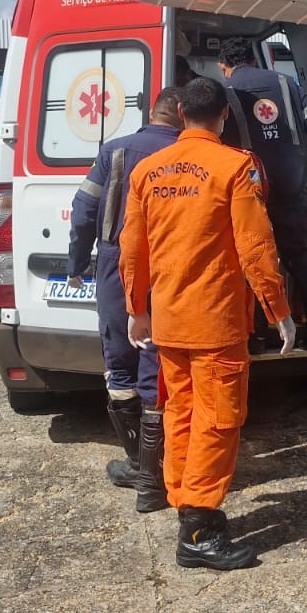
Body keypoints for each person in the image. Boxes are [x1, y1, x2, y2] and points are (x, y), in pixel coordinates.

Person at [120, 76, 296, 571]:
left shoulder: (148, 172)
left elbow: (133, 249)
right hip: (215, 323)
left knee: (180, 415)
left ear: (179, 116)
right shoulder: (234, 167)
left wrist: (137, 309)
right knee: (218, 421)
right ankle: (197, 526)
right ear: (223, 117)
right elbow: (257, 247)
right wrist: (278, 311)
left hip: (169, 322)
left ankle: (184, 501)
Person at [66, 87, 183, 511]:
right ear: (183, 115)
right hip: (174, 266)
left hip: (116, 263)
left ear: (151, 113)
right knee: (161, 362)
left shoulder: (114, 151)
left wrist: (77, 264)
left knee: (120, 364)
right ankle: (160, 471)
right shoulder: (192, 154)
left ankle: (139, 465)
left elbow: (83, 212)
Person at [216, 36, 307, 352]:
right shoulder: (286, 83)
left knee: (253, 262)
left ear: (223, 67)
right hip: (291, 187)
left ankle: (257, 339)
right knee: (299, 258)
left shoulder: (225, 92)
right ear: (254, 61)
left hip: (250, 191)